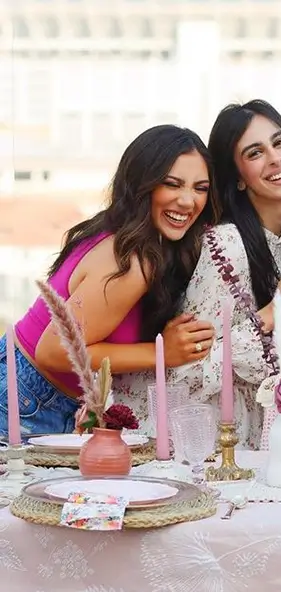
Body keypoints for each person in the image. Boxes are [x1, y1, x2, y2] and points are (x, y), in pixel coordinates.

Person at [1, 125, 216, 438]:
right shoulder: (130, 260)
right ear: (142, 185)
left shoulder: (122, 235)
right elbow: (53, 351)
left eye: (201, 188)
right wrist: (161, 353)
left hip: (30, 391)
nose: (188, 201)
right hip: (28, 398)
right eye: (172, 184)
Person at [140, 100, 281, 447]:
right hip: (204, 447)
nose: (276, 158)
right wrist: (270, 315)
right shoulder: (226, 245)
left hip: (254, 440)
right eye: (255, 153)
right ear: (238, 179)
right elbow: (189, 371)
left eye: (280, 142)